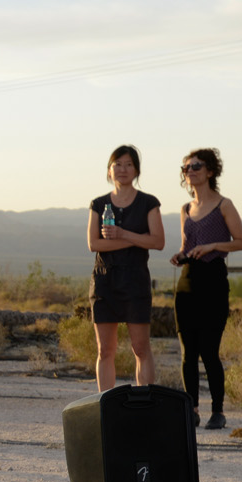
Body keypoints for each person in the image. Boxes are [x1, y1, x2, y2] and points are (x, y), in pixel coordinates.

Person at [167, 148, 242, 430]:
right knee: (188, 352)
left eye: (197, 166)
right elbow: (186, 246)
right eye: (186, 167)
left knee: (210, 351)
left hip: (213, 282)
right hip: (188, 282)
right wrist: (180, 255)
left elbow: (240, 242)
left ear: (210, 171)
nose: (190, 171)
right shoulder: (185, 209)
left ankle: (218, 411)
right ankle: (193, 410)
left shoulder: (224, 205)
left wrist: (213, 246)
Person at [85, 145, 165, 391]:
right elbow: (94, 244)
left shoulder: (148, 203)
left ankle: (146, 403)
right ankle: (106, 404)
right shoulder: (98, 204)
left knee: (140, 348)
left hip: (135, 279)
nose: (123, 169)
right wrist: (135, 239)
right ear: (109, 170)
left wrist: (122, 234)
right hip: (104, 280)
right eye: (117, 164)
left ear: (136, 170)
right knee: (105, 349)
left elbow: (158, 242)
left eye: (128, 164)